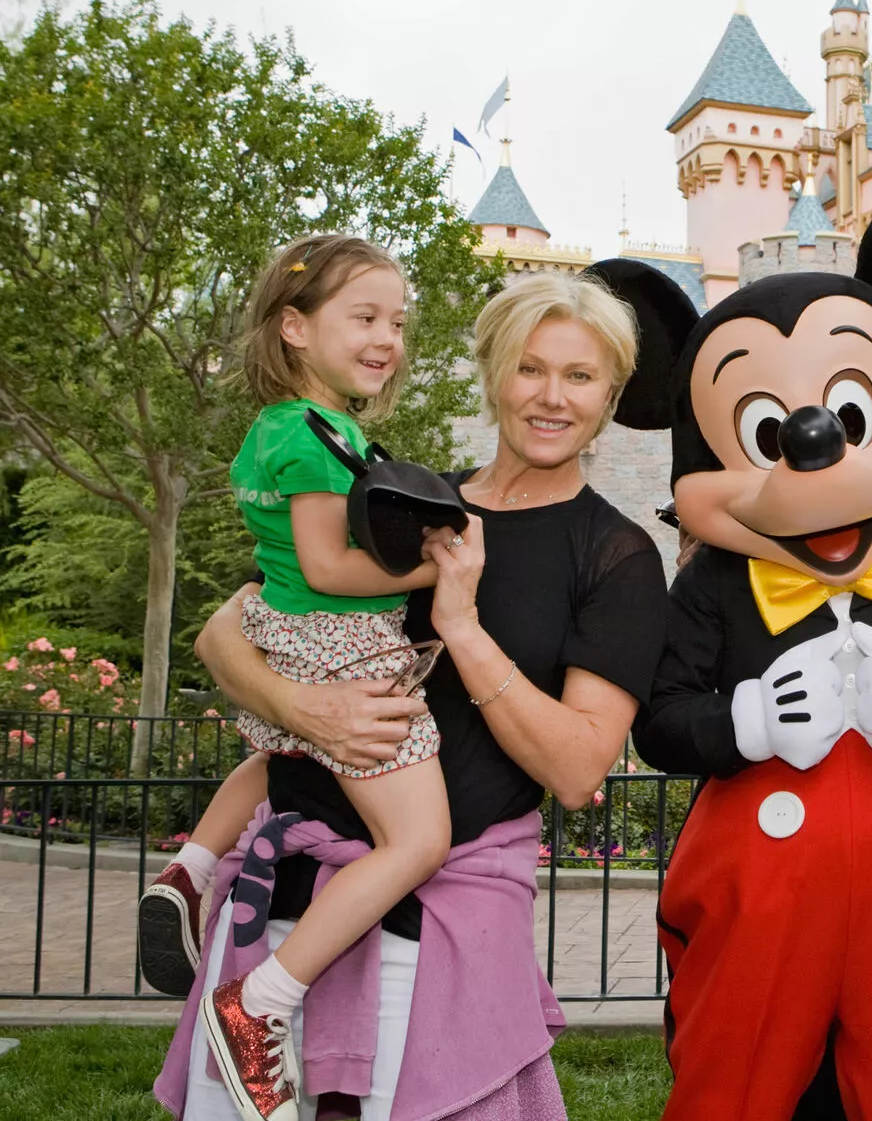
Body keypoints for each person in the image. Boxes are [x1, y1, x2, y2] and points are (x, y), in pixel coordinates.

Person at [155, 269, 669, 1121]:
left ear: (608, 394)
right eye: (530, 368)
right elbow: (228, 629)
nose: (552, 397)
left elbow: (579, 768)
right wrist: (300, 707)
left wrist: (462, 627)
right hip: (282, 907)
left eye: (579, 376)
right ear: (493, 374)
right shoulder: (407, 501)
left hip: (429, 936)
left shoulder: (614, 555)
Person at [605, 184, 872, 1121]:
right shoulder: (715, 579)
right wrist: (747, 721)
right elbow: (662, 719)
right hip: (760, 887)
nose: (814, 446)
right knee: (735, 1081)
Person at [137, 234, 464, 1121]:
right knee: (419, 839)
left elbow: (291, 560)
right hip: (341, 643)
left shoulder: (278, 428)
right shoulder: (321, 437)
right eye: (364, 318)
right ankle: (263, 1002)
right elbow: (327, 567)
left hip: (284, 632)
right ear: (294, 326)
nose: (387, 338)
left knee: (280, 755)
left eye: (397, 322)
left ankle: (189, 868)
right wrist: (439, 570)